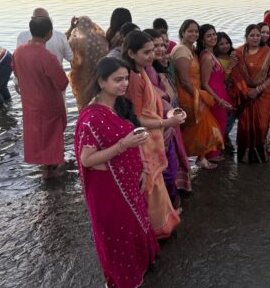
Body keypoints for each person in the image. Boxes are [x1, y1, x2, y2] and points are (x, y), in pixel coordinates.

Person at [74, 57, 159, 288]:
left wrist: (142, 167)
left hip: (129, 178)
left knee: (133, 228)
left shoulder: (119, 105)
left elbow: (131, 138)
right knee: (118, 236)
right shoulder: (91, 118)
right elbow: (87, 159)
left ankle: (140, 266)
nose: (124, 84)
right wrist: (124, 145)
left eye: (126, 79)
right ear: (102, 82)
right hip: (109, 188)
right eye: (118, 80)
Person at [123, 31, 181, 239]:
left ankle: (162, 224)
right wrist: (167, 122)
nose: (151, 55)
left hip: (153, 133)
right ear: (131, 53)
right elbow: (137, 118)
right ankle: (155, 230)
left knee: (157, 184)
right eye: (146, 52)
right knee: (151, 186)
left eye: (152, 50)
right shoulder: (133, 78)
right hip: (144, 139)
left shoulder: (141, 72)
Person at [12, 16, 69, 178]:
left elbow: (16, 71)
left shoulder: (19, 52)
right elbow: (62, 83)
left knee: (37, 134)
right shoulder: (46, 56)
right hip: (48, 102)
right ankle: (49, 171)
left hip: (29, 102)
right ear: (49, 33)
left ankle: (44, 168)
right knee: (52, 135)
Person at [144, 29, 192, 208]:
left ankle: (172, 202)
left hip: (169, 125)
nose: (161, 49)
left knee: (172, 163)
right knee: (166, 169)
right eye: (154, 46)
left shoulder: (157, 68)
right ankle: (168, 207)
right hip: (160, 127)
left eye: (163, 45)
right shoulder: (146, 73)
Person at [171, 20, 225, 169]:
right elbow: (183, 80)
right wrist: (199, 96)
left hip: (194, 93)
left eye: (196, 31)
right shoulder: (181, 50)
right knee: (196, 128)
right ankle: (183, 159)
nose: (194, 34)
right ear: (183, 32)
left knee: (201, 127)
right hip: (187, 96)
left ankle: (199, 159)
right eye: (190, 31)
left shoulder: (191, 49)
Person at [231, 24, 270, 163]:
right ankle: (244, 155)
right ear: (246, 37)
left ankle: (260, 155)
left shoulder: (268, 52)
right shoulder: (238, 52)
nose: (255, 38)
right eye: (252, 35)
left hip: (263, 94)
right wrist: (246, 91)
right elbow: (233, 74)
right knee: (244, 123)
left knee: (262, 123)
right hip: (245, 94)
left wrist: (258, 89)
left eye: (258, 35)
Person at [197, 24, 234, 141]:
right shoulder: (207, 57)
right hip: (214, 96)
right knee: (217, 124)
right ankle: (213, 155)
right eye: (209, 36)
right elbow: (204, 83)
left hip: (219, 92)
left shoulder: (211, 53)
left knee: (221, 122)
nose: (213, 37)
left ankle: (217, 152)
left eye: (214, 34)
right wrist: (219, 100)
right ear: (202, 39)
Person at [68, 16, 109, 110]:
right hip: (99, 76)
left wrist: (71, 28)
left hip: (83, 78)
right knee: (99, 102)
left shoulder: (76, 42)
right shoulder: (100, 39)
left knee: (85, 104)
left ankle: (85, 119)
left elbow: (64, 45)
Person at [214, 32, 238, 143]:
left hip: (235, 93)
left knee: (231, 119)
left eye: (227, 43)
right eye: (221, 44)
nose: (225, 46)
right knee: (225, 119)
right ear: (216, 46)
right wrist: (230, 66)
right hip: (223, 94)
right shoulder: (215, 60)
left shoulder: (234, 55)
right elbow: (222, 80)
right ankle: (221, 141)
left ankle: (225, 141)